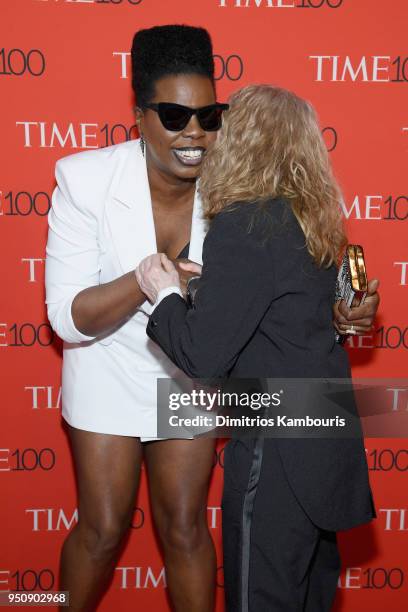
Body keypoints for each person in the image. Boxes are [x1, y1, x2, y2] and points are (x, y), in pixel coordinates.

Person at [136, 85, 377, 611]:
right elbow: (285, 317)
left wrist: (162, 296)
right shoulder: (315, 224)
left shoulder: (243, 224)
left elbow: (203, 356)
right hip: (324, 442)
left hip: (277, 450)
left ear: (241, 141)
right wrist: (202, 289)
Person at [45, 25, 226, 612]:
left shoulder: (235, 186)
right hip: (105, 362)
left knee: (184, 528)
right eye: (174, 115)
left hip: (186, 371)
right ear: (140, 116)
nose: (193, 132)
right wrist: (153, 274)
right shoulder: (85, 180)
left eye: (207, 114)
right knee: (100, 531)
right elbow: (70, 319)